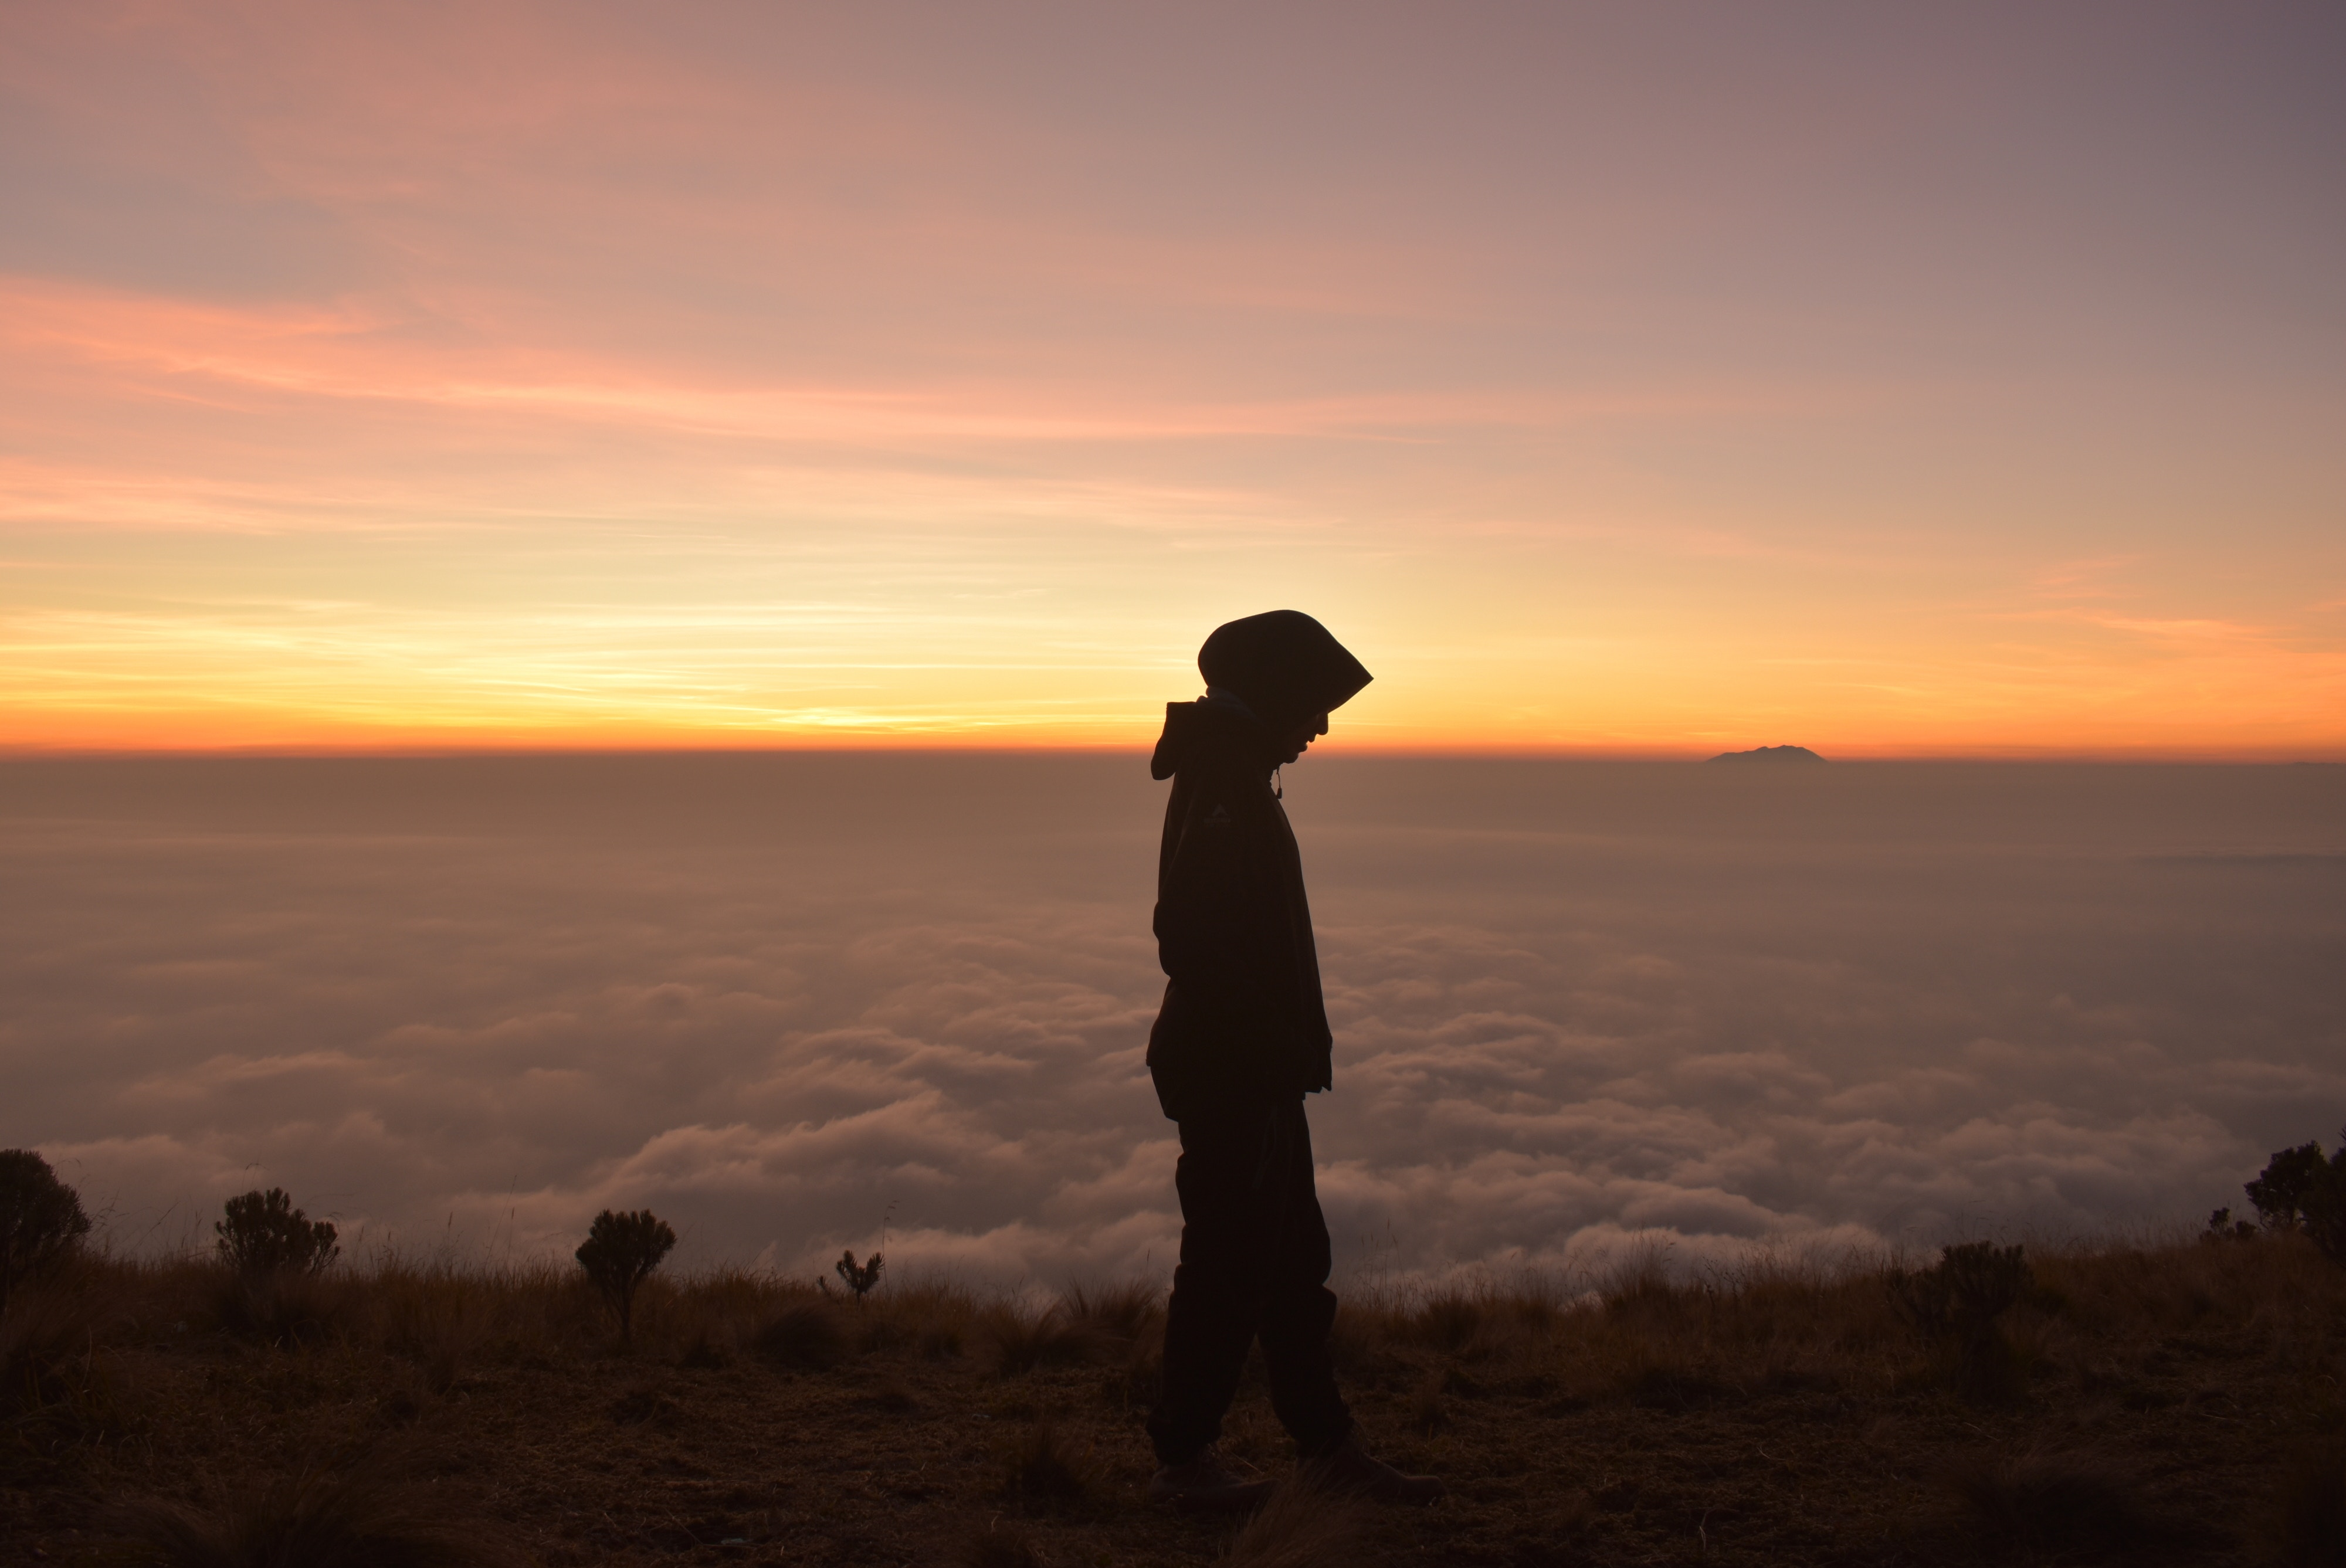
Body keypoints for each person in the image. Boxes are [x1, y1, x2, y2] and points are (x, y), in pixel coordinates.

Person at [1141, 610, 1443, 1508]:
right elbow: (1190, 935)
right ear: (1275, 693)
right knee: (1231, 1263)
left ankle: (1325, 1447)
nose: (1321, 726)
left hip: (1255, 1066)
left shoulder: (1236, 772)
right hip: (1233, 1068)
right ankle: (1184, 1463)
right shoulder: (1226, 780)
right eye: (1315, 704)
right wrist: (1263, 1038)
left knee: (1289, 1262)